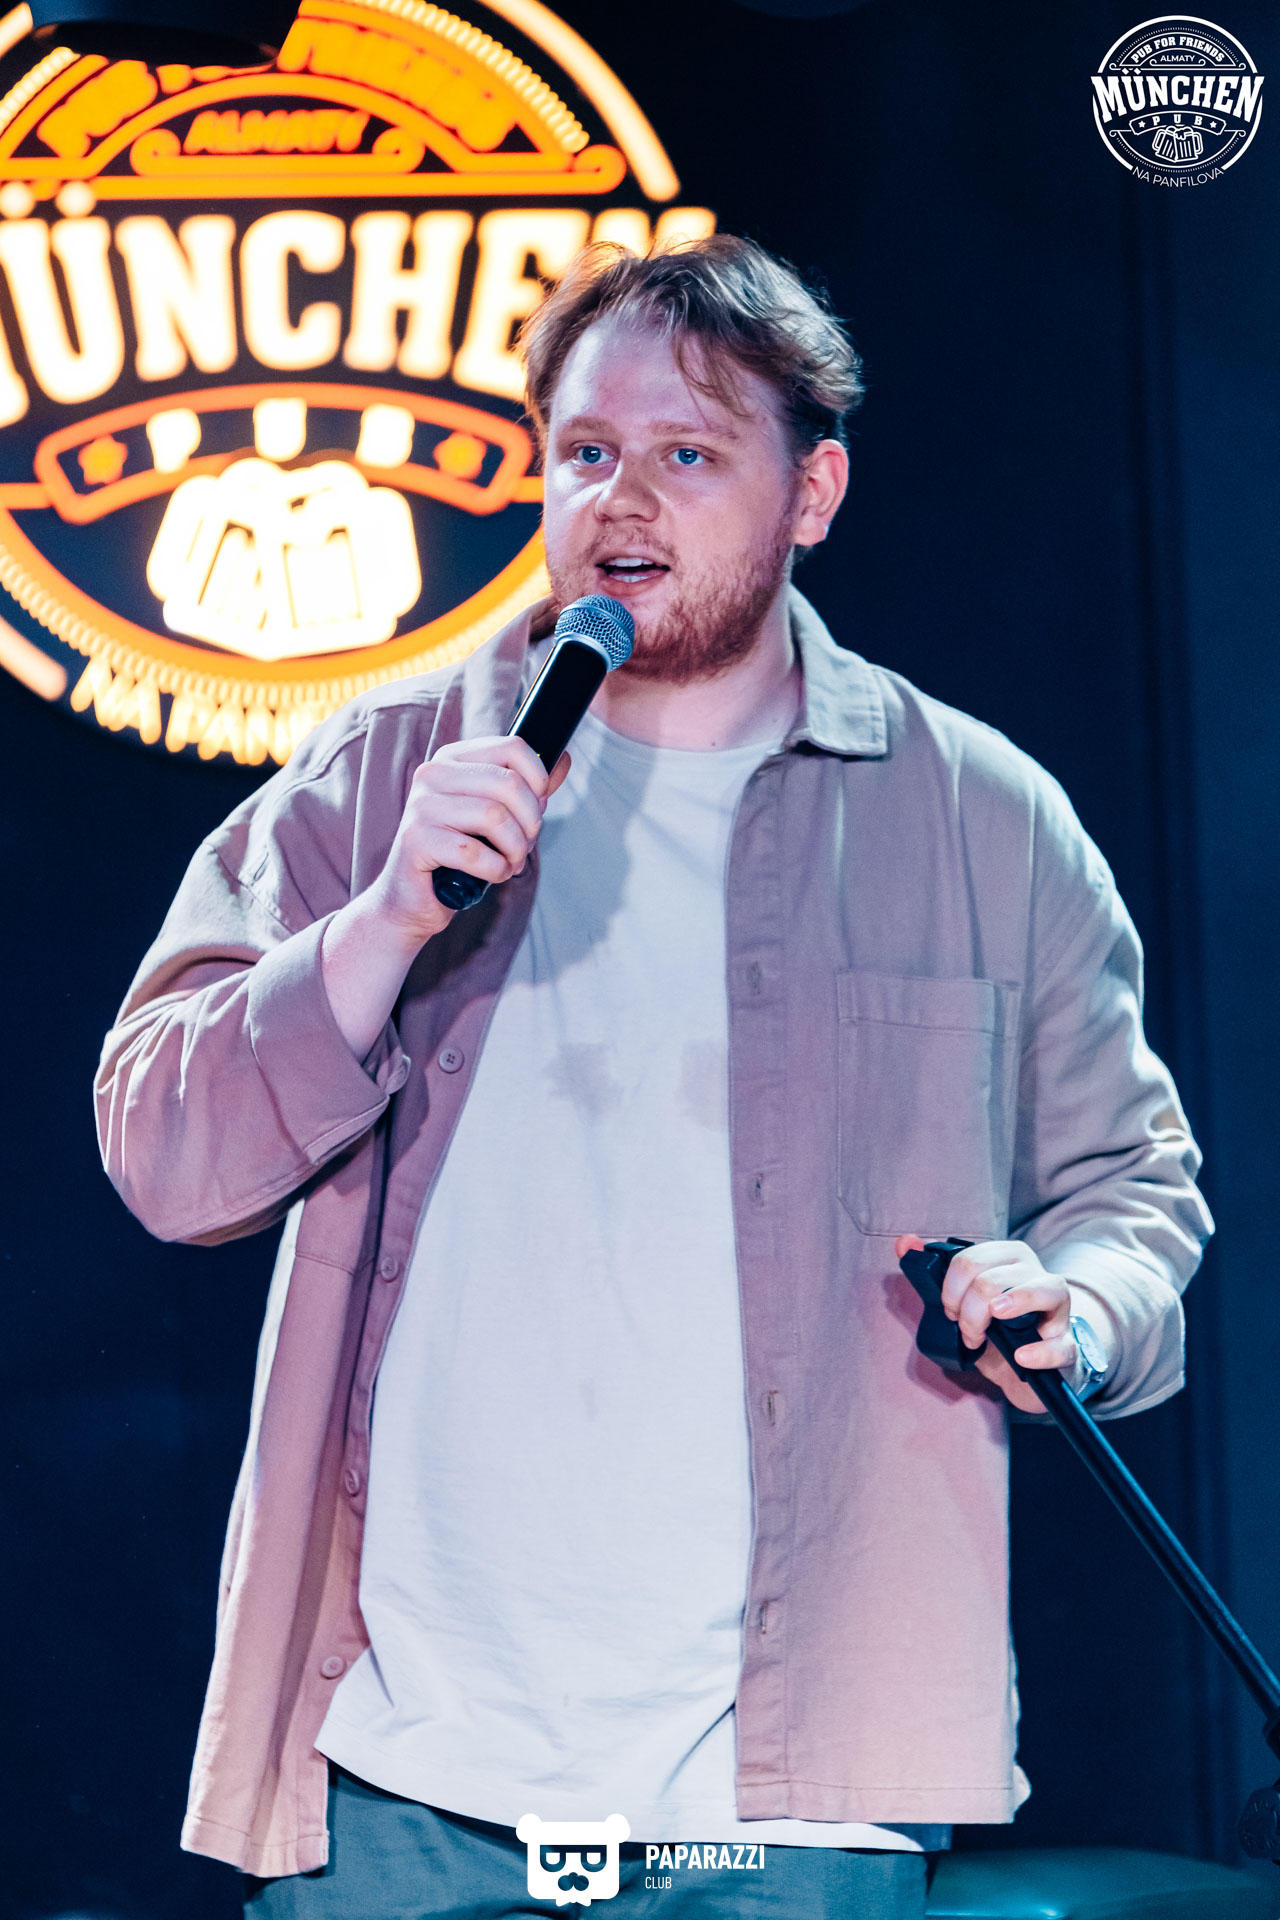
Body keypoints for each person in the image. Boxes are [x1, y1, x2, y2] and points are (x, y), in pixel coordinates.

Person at [96, 235, 1211, 1920]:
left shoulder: (981, 817)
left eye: (687, 455)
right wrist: (380, 925)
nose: (622, 501)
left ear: (811, 492)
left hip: (799, 1799)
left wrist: (1082, 1304)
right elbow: (161, 1150)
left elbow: (1133, 1188)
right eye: (586, 453)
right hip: (401, 1776)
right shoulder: (386, 771)